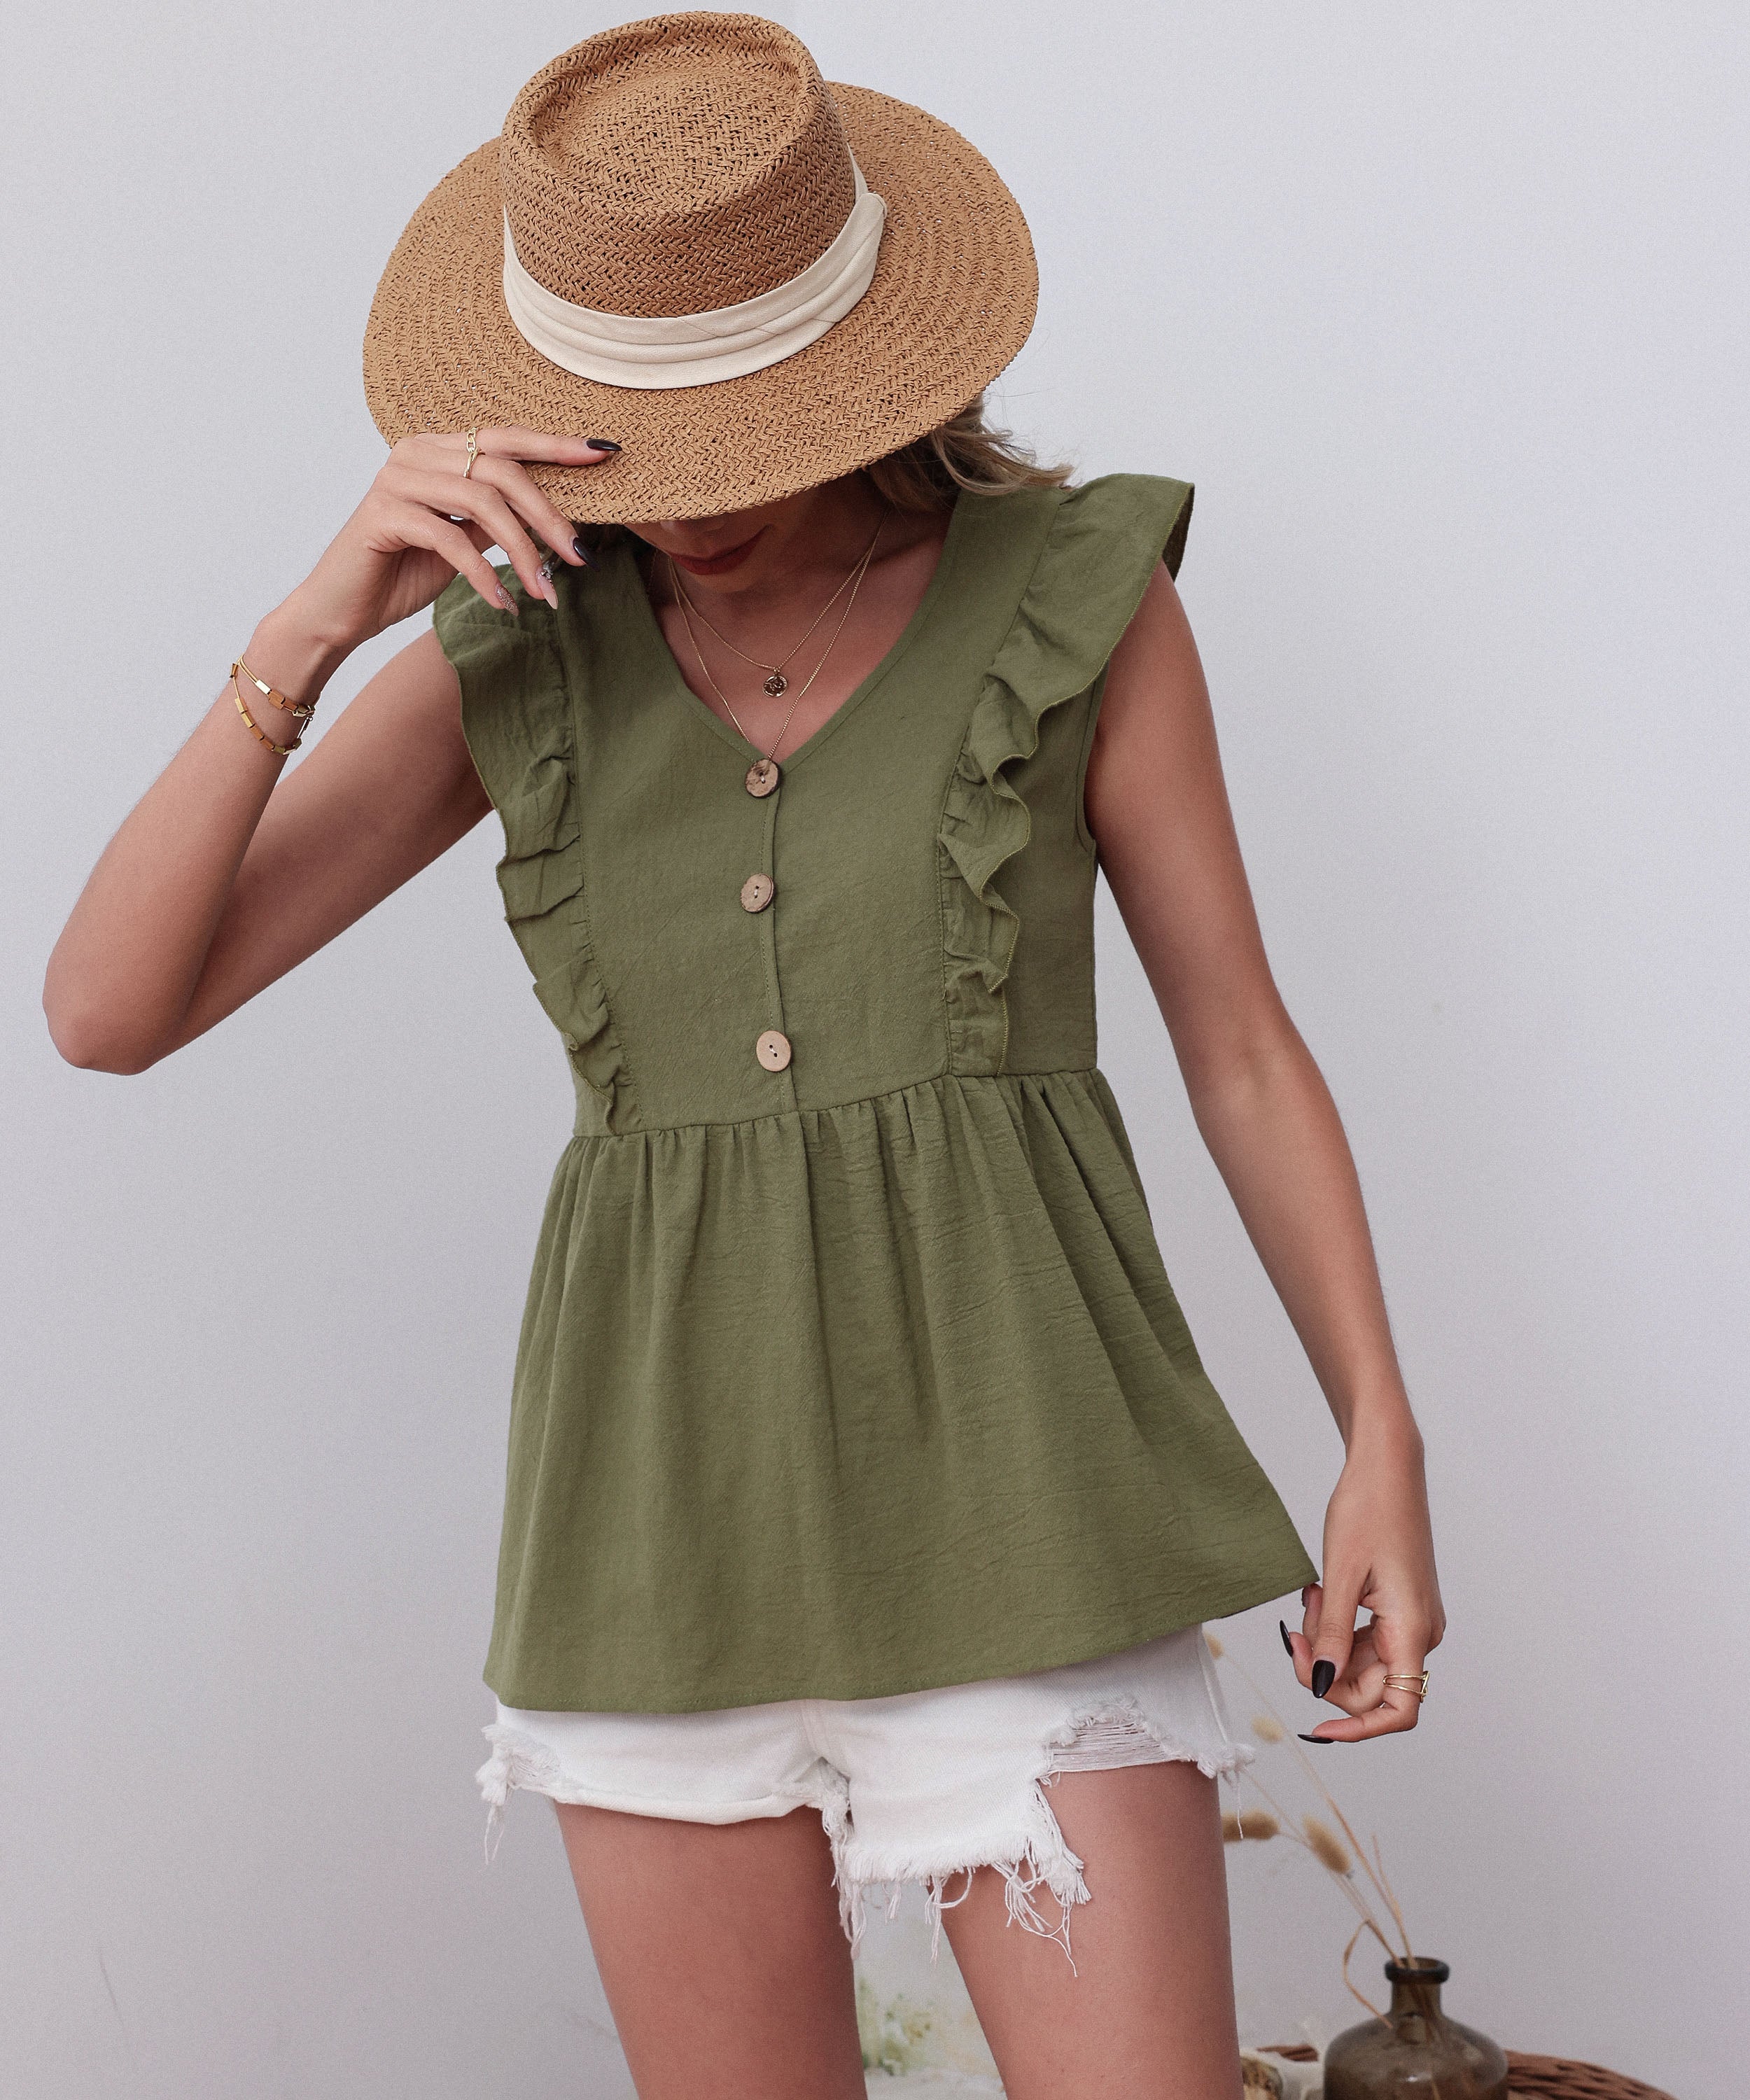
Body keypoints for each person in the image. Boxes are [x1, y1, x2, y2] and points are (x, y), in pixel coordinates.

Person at [43, 15, 1443, 2099]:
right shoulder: (517, 645)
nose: (681, 502)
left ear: (861, 368)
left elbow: (1235, 1045)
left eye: (729, 435)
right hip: (653, 1542)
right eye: (627, 435)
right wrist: (318, 620)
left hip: (1031, 1503)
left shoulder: (1075, 602)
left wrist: (1377, 1429)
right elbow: (107, 1011)